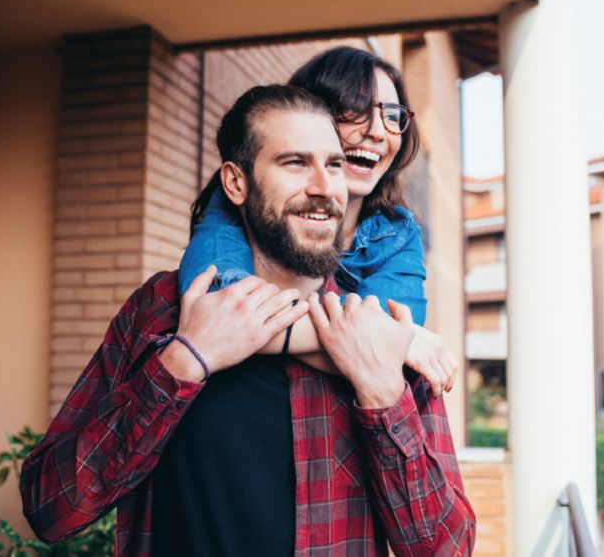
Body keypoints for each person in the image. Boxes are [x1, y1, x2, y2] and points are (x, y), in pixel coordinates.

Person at [20, 84, 475, 557]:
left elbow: (447, 549)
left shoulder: (381, 332)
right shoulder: (160, 310)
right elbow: (50, 508)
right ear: (236, 183)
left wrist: (382, 393)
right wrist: (184, 360)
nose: (324, 188)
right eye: (295, 163)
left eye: (335, 165)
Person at [181, 46, 456, 396]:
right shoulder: (235, 205)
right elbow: (219, 308)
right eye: (355, 108)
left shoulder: (396, 234)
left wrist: (391, 340)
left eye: (392, 114)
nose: (377, 131)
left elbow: (389, 346)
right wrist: (388, 339)